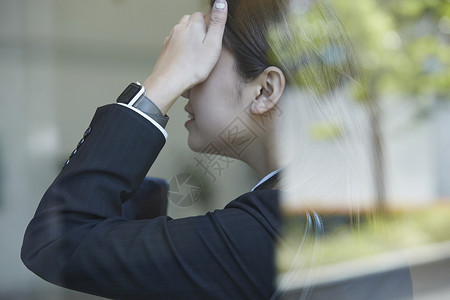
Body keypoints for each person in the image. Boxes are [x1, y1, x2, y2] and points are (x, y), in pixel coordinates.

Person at [21, 0, 413, 299]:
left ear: (264, 90)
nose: (188, 82)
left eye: (203, 59)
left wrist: (159, 86)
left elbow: (57, 241)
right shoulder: (352, 209)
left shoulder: (268, 232)